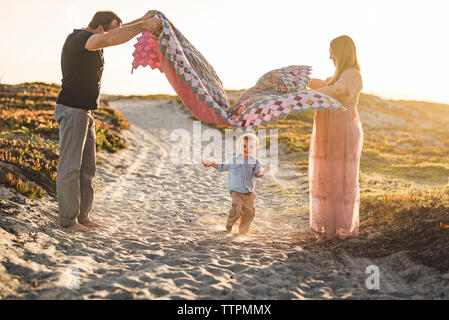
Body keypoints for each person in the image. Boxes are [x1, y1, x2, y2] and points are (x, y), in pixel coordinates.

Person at [54, 10, 162, 232]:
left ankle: (83, 217)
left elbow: (115, 34)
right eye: (110, 31)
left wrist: (144, 19)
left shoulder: (96, 38)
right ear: (100, 27)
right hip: (73, 110)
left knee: (87, 168)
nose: (113, 40)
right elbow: (108, 38)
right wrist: (143, 27)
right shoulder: (80, 39)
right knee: (70, 167)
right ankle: (68, 220)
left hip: (85, 112)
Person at [307, 35, 364, 243]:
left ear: (341, 52)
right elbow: (322, 84)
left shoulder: (353, 75)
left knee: (339, 178)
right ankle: (328, 227)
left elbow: (339, 91)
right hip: (328, 132)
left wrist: (314, 94)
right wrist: (298, 83)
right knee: (326, 176)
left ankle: (338, 228)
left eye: (332, 51)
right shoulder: (337, 76)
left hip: (342, 132)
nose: (329, 56)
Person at [202, 133, 271, 235]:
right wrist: (211, 164)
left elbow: (257, 174)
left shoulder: (255, 162)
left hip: (249, 193)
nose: (247, 149)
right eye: (244, 146)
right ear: (239, 146)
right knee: (237, 209)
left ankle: (242, 231)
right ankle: (229, 225)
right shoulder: (233, 160)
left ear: (256, 148)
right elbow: (222, 167)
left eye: (251, 147)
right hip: (236, 192)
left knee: (249, 214)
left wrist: (264, 171)